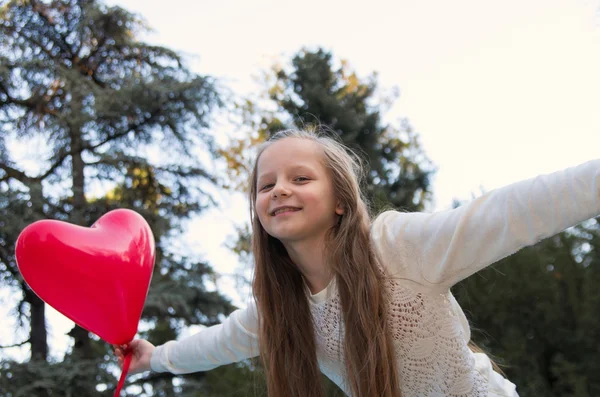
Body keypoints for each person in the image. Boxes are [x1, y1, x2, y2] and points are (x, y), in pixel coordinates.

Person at [114, 129, 600, 396]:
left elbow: (513, 212)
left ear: (341, 200)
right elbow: (215, 343)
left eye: (300, 178)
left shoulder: (398, 247)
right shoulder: (280, 308)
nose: (280, 188)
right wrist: (153, 357)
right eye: (267, 185)